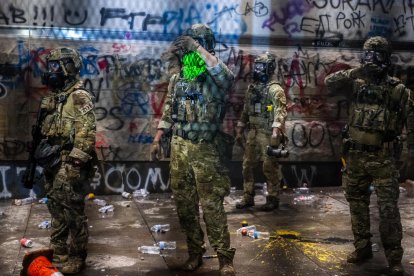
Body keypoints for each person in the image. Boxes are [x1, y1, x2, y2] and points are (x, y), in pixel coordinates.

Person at [150, 23, 236, 276]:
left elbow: (225, 75)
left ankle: (224, 259)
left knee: (212, 206)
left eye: (194, 46)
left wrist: (195, 46)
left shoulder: (215, 79)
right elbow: (168, 111)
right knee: (185, 205)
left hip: (206, 149)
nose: (189, 55)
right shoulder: (180, 79)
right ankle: (195, 253)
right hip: (180, 148)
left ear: (204, 45)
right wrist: (158, 138)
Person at [325, 36, 414, 276]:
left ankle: (394, 258)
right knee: (357, 204)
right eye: (367, 54)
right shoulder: (356, 83)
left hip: (383, 159)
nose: (371, 60)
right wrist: (356, 71)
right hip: (355, 156)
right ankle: (362, 248)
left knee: (388, 210)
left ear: (386, 58)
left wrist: (408, 161)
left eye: (376, 55)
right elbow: (329, 82)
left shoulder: (398, 91)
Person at [38, 47, 96, 274]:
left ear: (68, 67)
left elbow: (87, 133)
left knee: (73, 211)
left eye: (56, 66)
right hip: (52, 161)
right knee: (55, 207)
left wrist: (74, 165)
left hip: (71, 163)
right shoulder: (55, 97)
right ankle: (58, 250)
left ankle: (77, 256)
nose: (51, 71)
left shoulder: (79, 96)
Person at [235, 52, 287, 211]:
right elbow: (246, 109)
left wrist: (275, 132)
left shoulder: (275, 89)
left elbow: (280, 111)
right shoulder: (253, 88)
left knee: (269, 166)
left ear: (269, 68)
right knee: (247, 165)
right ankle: (248, 196)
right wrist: (240, 128)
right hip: (254, 132)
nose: (257, 70)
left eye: (261, 67)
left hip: (267, 133)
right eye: (256, 66)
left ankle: (273, 197)